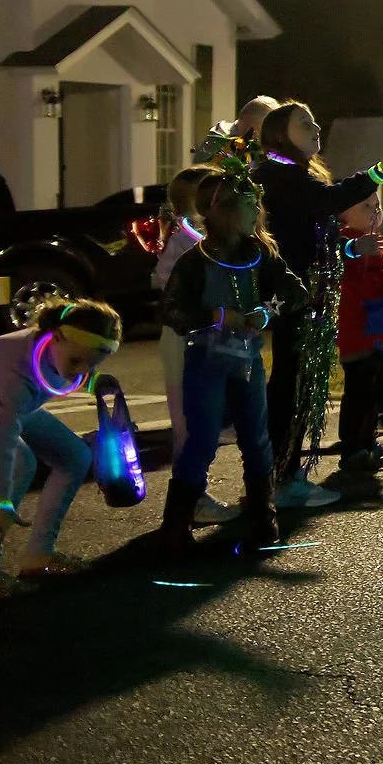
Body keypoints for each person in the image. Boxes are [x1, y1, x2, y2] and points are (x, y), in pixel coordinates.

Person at [256, 101, 383, 509]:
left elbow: (312, 234)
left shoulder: (295, 176)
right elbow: (329, 202)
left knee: (299, 384)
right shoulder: (281, 174)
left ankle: (283, 474)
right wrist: (379, 171)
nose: (315, 128)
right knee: (291, 387)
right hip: (294, 295)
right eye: (303, 123)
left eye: (314, 120)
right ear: (279, 134)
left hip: (308, 294)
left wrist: (347, 245)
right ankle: (281, 477)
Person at [156, 166, 307, 558]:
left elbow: (295, 290)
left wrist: (266, 311)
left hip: (248, 362)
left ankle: (263, 517)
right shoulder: (194, 261)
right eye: (246, 205)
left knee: (256, 440)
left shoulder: (261, 254)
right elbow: (171, 309)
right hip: (206, 361)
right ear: (221, 211)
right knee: (201, 440)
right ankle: (175, 528)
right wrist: (216, 316)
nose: (255, 212)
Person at [0, 299, 122, 591]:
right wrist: (0, 502)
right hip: (5, 405)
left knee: (75, 456)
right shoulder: (13, 369)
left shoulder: (61, 349)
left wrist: (95, 381)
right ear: (55, 338)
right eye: (77, 362)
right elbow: (1, 443)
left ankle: (39, 555)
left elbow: (70, 370)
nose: (81, 371)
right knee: (19, 464)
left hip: (13, 407)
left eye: (92, 363)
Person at [153, 164, 239, 525]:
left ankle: (192, 497)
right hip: (184, 339)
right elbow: (170, 288)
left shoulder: (196, 237)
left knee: (203, 420)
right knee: (189, 424)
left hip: (203, 337)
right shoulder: (186, 240)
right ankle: (191, 501)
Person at [335, 191, 383, 472]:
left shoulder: (379, 241)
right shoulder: (349, 243)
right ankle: (353, 447)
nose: (374, 211)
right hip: (363, 330)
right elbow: (357, 284)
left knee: (376, 389)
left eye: (377, 206)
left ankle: (369, 442)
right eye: (365, 205)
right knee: (360, 390)